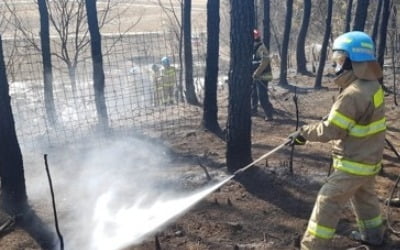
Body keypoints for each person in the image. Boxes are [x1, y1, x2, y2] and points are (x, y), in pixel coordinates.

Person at [289, 31, 386, 249]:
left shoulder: (352, 94)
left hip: (355, 162)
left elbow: (331, 129)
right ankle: (374, 236)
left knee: (328, 199)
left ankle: (312, 246)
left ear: (354, 61)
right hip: (369, 159)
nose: (336, 66)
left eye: (340, 60)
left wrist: (303, 133)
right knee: (365, 198)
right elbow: (356, 120)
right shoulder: (372, 86)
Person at [252, 29, 274, 121]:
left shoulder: (261, 47)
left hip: (263, 76)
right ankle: (254, 110)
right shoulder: (254, 47)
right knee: (254, 94)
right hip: (256, 76)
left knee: (262, 96)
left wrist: (257, 73)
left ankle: (269, 114)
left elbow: (265, 61)